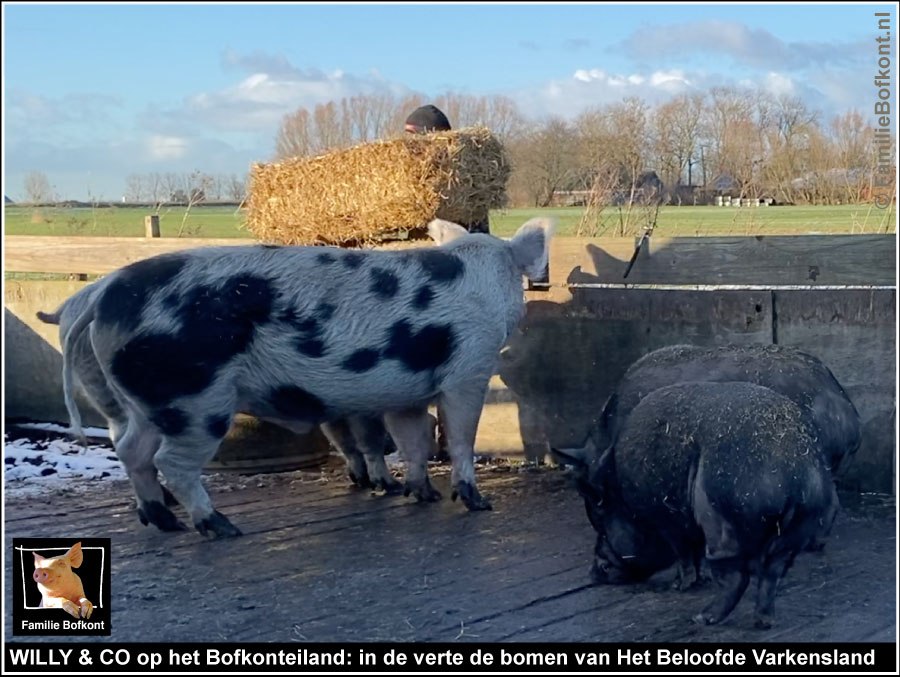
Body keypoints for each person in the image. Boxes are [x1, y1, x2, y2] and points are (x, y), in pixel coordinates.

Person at [404, 104, 490, 235]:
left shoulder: (463, 177)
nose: (408, 143)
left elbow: (477, 239)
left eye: (414, 135)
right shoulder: (408, 178)